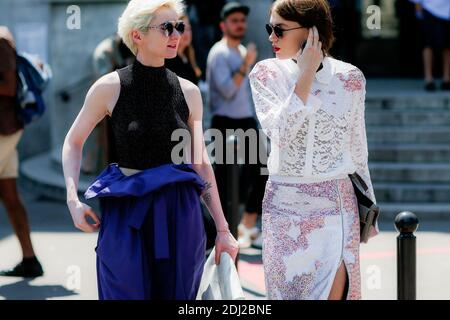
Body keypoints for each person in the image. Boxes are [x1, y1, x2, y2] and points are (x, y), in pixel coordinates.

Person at [62, 0, 238, 300]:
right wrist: (72, 200)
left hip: (179, 211)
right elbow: (73, 142)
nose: (176, 34)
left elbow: (201, 162)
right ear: (137, 35)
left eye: (179, 26)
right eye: (166, 27)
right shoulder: (109, 87)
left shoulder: (189, 92)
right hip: (126, 210)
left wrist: (222, 228)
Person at [249, 0, 378, 300]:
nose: (271, 38)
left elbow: (358, 148)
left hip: (337, 208)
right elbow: (280, 133)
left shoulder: (350, 78)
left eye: (279, 30)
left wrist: (369, 207)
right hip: (283, 206)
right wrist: (305, 76)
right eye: (269, 28)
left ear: (311, 31)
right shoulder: (266, 74)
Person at [206, 2, 268, 249]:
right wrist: (246, 65)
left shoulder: (243, 50)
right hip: (224, 122)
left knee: (262, 171)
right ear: (223, 25)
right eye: (234, 20)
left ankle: (248, 224)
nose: (240, 24)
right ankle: (221, 233)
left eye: (242, 20)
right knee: (222, 179)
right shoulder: (218, 53)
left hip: (246, 120)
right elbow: (229, 91)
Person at [0, 26, 44, 278]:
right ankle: (30, 260)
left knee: (11, 197)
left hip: (3, 130)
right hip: (6, 130)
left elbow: (8, 86)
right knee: (10, 196)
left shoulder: (0, 41)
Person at [411, 0, 450, 91]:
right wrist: (418, 8)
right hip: (430, 10)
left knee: (447, 46)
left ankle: (446, 78)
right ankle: (428, 78)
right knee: (428, 44)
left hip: (448, 12)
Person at [165, 13, 202, 84]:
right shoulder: (169, 60)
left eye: (188, 29)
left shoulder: (189, 56)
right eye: (181, 29)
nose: (187, 33)